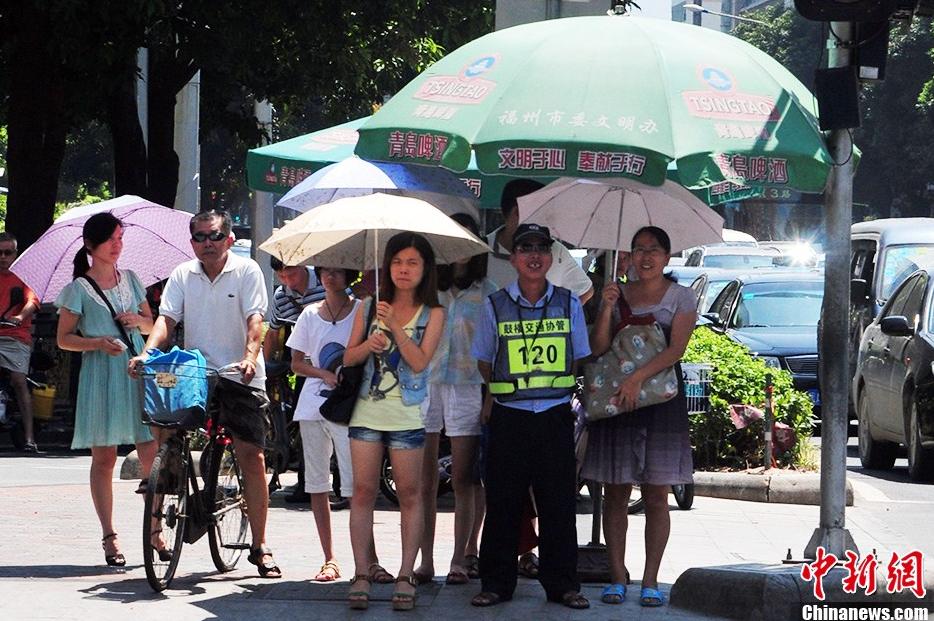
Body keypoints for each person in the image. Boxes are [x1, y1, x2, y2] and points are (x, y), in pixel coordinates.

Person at [129, 209, 282, 579]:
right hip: (194, 373)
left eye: (213, 236)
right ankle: (155, 531)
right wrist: (148, 353)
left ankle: (260, 545)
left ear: (228, 238)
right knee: (167, 437)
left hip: (238, 374)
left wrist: (249, 358)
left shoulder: (247, 271)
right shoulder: (183, 274)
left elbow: (255, 321)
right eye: (199, 237)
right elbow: (167, 320)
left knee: (251, 454)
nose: (207, 243)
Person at [470, 223, 591, 610]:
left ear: (552, 256)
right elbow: (484, 361)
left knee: (559, 504)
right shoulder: (495, 304)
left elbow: (580, 355)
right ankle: (496, 584)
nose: (534, 255)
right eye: (526, 248)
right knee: (503, 503)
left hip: (554, 415)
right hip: (510, 416)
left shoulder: (569, 302)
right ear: (513, 257)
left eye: (542, 247)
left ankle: (563, 585)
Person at [582, 226, 697, 608]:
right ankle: (617, 577)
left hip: (660, 403)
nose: (646, 257)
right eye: (638, 250)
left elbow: (676, 350)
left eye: (654, 250)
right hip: (617, 403)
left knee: (656, 495)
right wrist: (608, 307)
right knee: (615, 492)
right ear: (627, 256)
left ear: (667, 256)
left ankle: (650, 581)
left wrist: (636, 379)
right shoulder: (614, 293)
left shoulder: (681, 297)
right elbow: (597, 348)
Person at [342, 232, 445, 611]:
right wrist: (369, 344)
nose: (404, 269)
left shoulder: (435, 312)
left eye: (412, 263)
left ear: (425, 269)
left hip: (408, 414)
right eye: (398, 262)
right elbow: (348, 358)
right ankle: (361, 572)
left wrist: (396, 329)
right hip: (366, 412)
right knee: (363, 492)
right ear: (387, 266)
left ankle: (405, 573)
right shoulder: (368, 305)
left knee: (410, 495)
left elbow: (420, 361)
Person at [55, 213, 158, 566]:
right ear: (90, 245)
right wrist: (98, 342)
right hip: (101, 375)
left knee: (150, 452)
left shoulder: (131, 279)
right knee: (104, 459)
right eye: (111, 239)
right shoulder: (78, 288)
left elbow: (154, 327)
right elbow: (63, 339)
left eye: (119, 237)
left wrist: (139, 321)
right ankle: (109, 536)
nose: (118, 245)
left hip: (135, 371)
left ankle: (155, 529)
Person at [286, 265, 385, 582]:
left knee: (359, 486)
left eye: (337, 271)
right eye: (324, 270)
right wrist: (325, 374)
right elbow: (296, 363)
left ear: (348, 274)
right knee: (317, 484)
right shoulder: (309, 314)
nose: (330, 276)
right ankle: (329, 558)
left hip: (350, 406)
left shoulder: (361, 310)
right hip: (313, 405)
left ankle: (369, 560)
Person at [413, 213, 497, 586]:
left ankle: (461, 556)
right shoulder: (427, 290)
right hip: (425, 383)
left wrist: (490, 395)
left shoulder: (490, 292)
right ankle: (425, 559)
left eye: (467, 239)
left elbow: (496, 350)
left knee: (464, 477)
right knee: (423, 480)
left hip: (468, 386)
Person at [261, 257, 328, 505]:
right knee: (304, 422)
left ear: (303, 267)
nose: (288, 281)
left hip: (333, 362)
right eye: (282, 277)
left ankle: (343, 484)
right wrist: (265, 368)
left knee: (338, 421)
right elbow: (274, 331)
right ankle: (306, 482)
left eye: (292, 274)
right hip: (304, 366)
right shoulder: (281, 296)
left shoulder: (324, 280)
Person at [0, 233, 41, 453]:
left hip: (15, 337)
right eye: (0, 253)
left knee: (18, 380)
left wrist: (19, 317)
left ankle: (29, 437)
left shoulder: (24, 277)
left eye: (8, 253)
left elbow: (32, 301)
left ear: (16, 254)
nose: (3, 257)